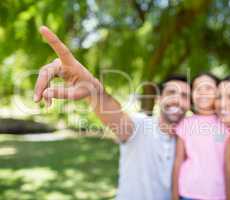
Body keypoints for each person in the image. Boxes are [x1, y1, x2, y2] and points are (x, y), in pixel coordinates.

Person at [34, 26, 192, 200]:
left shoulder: (189, 140)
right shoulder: (140, 126)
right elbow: (117, 118)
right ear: (159, 98)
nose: (177, 100)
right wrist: (94, 91)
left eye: (184, 95)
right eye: (171, 93)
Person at [172, 73, 230, 200]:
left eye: (208, 88)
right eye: (197, 88)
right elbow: (178, 162)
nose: (202, 92)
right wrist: (174, 196)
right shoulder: (185, 124)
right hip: (188, 193)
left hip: (218, 194)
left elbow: (228, 165)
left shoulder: (226, 124)